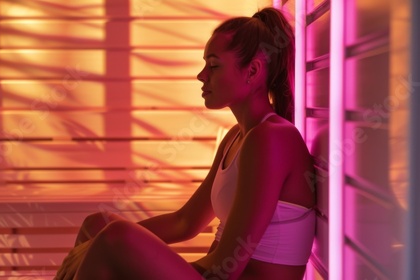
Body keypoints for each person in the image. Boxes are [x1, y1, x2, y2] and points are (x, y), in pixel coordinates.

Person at [55, 7, 315, 280]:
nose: (202, 76)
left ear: (252, 71)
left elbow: (229, 265)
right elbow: (185, 222)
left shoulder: (272, 138)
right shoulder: (237, 137)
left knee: (112, 238)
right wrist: (103, 246)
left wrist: (118, 252)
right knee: (96, 227)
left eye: (213, 65)